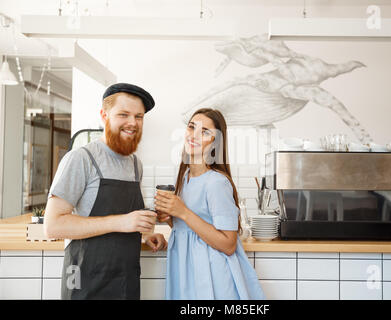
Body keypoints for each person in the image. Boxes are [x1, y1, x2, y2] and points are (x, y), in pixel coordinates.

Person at [44, 83, 167, 300]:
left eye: (138, 116)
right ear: (104, 115)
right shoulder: (81, 159)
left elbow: (127, 219)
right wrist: (122, 222)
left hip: (125, 281)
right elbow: (53, 226)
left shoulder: (135, 164)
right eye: (124, 114)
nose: (133, 123)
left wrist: (145, 234)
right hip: (85, 281)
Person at [155, 108, 265, 299]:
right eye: (192, 127)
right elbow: (188, 228)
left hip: (212, 274)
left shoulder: (216, 183)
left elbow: (228, 244)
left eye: (205, 132)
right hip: (186, 268)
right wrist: (169, 217)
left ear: (216, 143)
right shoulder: (184, 177)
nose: (194, 135)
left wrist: (183, 212)